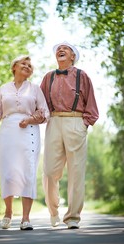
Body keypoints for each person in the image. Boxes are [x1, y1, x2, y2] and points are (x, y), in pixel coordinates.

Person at [0, 55, 50, 230]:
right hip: (8, 131)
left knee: (28, 171)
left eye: (30, 65)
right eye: (24, 63)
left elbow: (45, 113)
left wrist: (29, 120)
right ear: (14, 66)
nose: (28, 66)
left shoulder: (35, 89)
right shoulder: (3, 88)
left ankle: (26, 218)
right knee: (8, 172)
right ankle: (8, 211)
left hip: (29, 131)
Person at [40, 41, 99, 229]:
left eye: (66, 48)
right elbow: (40, 105)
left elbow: (92, 106)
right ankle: (53, 211)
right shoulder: (48, 77)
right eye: (58, 48)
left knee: (76, 172)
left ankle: (73, 217)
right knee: (49, 172)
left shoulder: (82, 76)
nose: (61, 50)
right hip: (54, 122)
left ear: (73, 56)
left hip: (76, 122)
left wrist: (83, 124)